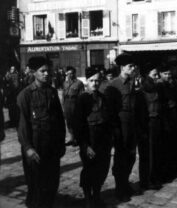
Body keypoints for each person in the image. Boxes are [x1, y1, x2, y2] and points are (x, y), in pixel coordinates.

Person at [17, 56, 66, 208]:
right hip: (35, 149)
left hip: (52, 148)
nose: (47, 74)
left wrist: (61, 143)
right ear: (33, 72)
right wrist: (28, 148)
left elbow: (59, 120)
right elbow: (22, 125)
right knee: (36, 187)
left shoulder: (52, 92)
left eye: (48, 71)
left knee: (52, 185)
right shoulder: (25, 95)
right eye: (42, 71)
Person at [74, 67, 114, 208]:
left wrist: (110, 140)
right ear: (87, 81)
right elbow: (78, 125)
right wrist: (85, 146)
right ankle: (88, 199)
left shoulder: (103, 97)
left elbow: (108, 120)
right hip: (90, 140)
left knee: (102, 169)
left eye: (97, 80)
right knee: (89, 170)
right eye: (92, 80)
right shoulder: (82, 99)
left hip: (103, 141)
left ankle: (96, 196)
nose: (95, 83)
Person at [105, 53, 138, 201]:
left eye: (133, 66)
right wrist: (114, 130)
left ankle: (125, 182)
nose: (133, 68)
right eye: (130, 66)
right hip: (121, 125)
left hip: (132, 124)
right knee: (121, 157)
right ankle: (120, 187)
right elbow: (110, 110)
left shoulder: (132, 82)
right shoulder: (114, 85)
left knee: (131, 155)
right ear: (122, 67)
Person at [138, 62, 163, 190]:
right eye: (154, 74)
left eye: (157, 74)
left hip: (156, 122)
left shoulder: (156, 87)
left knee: (155, 152)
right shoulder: (143, 90)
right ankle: (147, 180)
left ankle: (153, 177)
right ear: (147, 75)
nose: (157, 76)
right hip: (147, 123)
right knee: (148, 153)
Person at [62, 66, 84, 146]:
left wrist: (80, 107)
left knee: (76, 122)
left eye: (71, 73)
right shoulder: (65, 83)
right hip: (67, 103)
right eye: (68, 73)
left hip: (75, 103)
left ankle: (76, 139)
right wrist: (63, 106)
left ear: (74, 73)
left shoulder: (79, 83)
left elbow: (81, 96)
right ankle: (71, 138)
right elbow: (63, 95)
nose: (70, 75)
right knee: (68, 122)